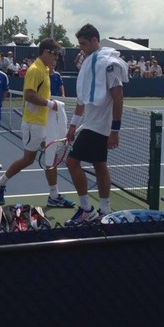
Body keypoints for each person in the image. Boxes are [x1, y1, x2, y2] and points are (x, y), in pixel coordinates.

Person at [0, 38, 75, 208]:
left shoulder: (44, 70)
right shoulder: (35, 70)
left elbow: (39, 95)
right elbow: (29, 94)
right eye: (55, 55)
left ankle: (53, 195)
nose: (56, 59)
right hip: (33, 124)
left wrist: (51, 104)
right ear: (46, 52)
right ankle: (0, 183)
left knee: (51, 157)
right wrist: (50, 104)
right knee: (28, 159)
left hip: (44, 123)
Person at [64, 23, 128, 226]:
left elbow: (118, 98)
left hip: (100, 127)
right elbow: (83, 99)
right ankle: (105, 211)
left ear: (94, 40)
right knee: (100, 166)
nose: (81, 48)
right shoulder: (90, 64)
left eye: (83, 43)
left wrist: (115, 131)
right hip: (91, 124)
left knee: (72, 163)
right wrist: (73, 125)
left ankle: (86, 210)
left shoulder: (109, 64)